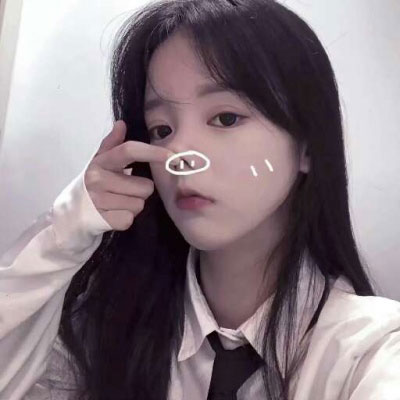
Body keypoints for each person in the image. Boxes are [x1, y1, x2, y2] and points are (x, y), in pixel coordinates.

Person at [1, 0, 400, 399]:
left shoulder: (370, 354)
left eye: (225, 118)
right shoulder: (104, 332)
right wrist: (68, 228)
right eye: (161, 129)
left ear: (307, 147)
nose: (178, 153)